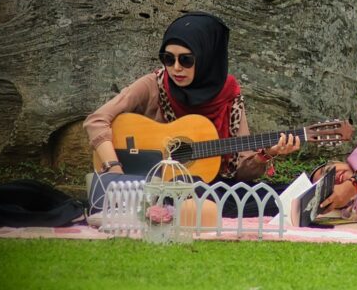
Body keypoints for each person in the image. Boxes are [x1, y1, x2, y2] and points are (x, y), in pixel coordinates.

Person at [83, 12, 300, 215]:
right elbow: (96, 121)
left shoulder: (229, 96)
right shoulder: (154, 85)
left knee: (269, 193)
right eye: (168, 59)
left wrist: (267, 154)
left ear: (207, 58)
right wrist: (117, 173)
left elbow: (242, 173)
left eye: (186, 60)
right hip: (153, 185)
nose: (176, 68)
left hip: (208, 187)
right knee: (213, 199)